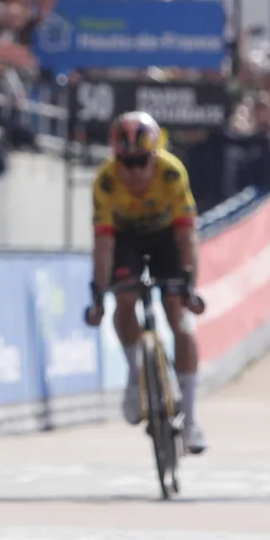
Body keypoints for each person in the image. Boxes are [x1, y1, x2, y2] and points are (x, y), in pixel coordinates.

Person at [84, 111, 207, 454]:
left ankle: (192, 419)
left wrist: (190, 285)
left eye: (142, 161)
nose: (135, 171)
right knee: (124, 300)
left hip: (167, 237)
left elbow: (187, 235)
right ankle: (135, 371)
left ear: (154, 155)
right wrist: (98, 295)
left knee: (178, 315)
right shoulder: (106, 181)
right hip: (126, 241)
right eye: (127, 162)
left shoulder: (171, 172)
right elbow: (103, 246)